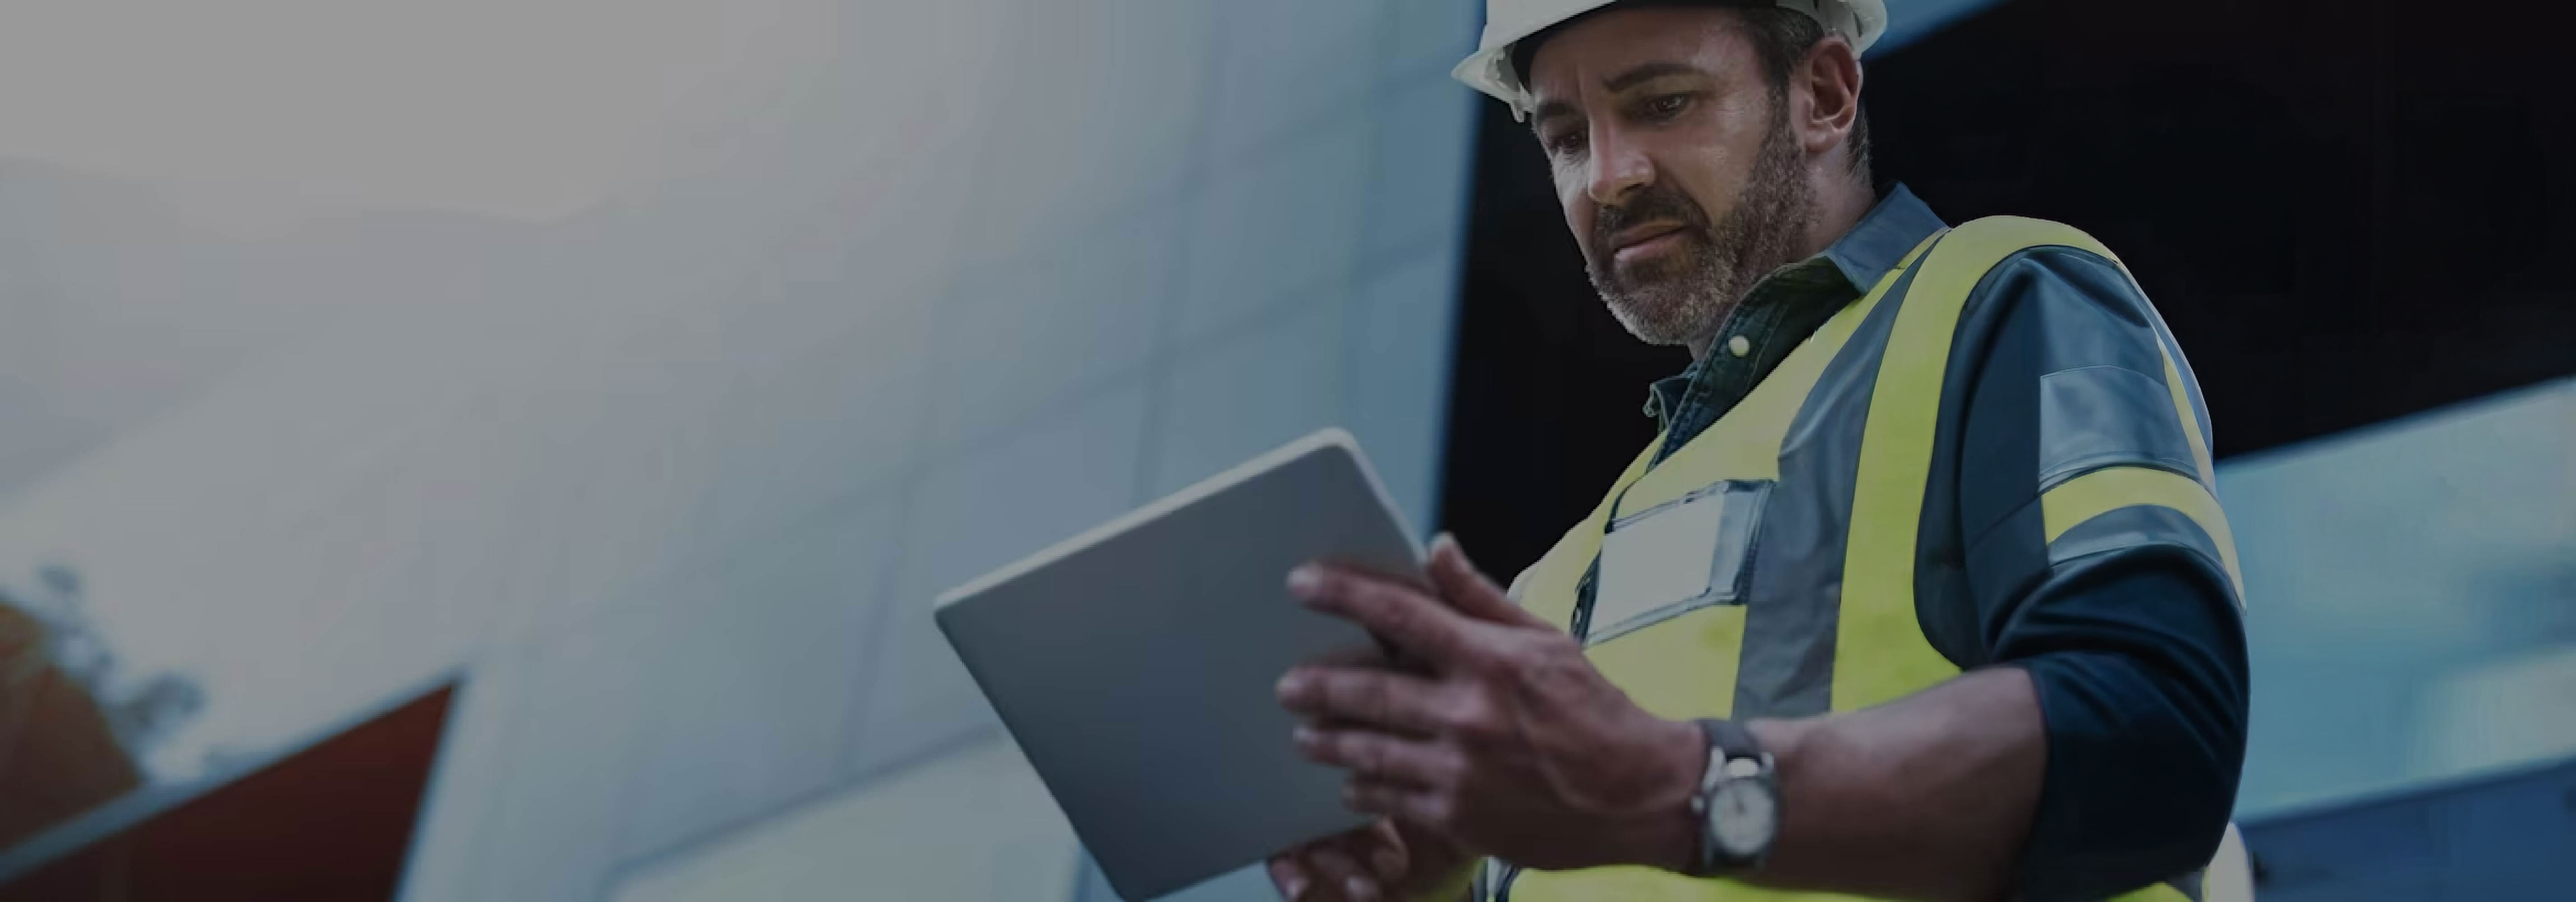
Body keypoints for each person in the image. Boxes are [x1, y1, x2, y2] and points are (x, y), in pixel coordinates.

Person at [1263, 1, 2254, 900]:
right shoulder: (1550, 582)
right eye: (1566, 139)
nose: (1608, 176)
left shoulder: (2001, 297)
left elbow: (2155, 738)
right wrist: (1425, 887)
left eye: (1661, 102)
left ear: (1822, 94)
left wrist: (1678, 788)